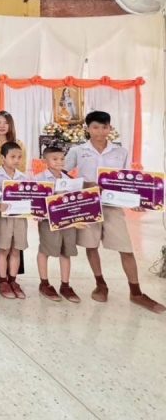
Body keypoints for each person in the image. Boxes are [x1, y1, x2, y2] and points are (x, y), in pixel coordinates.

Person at [65, 111, 165, 313]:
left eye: (104, 127)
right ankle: (100, 284)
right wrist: (84, 185)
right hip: (89, 204)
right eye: (95, 127)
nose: (100, 131)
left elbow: (129, 180)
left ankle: (136, 292)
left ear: (110, 128)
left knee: (125, 248)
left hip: (114, 206)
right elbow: (62, 174)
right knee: (91, 245)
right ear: (87, 129)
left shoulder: (120, 152)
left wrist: (137, 201)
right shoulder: (78, 151)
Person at [33, 146, 80, 303]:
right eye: (55, 159)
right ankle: (44, 283)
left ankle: (65, 285)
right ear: (45, 161)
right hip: (48, 221)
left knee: (66, 251)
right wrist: (37, 212)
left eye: (62, 159)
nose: (59, 162)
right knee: (45, 249)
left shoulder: (70, 180)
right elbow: (34, 199)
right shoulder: (39, 179)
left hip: (67, 221)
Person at [0, 142, 28, 299]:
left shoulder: (24, 177)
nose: (16, 160)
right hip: (2, 218)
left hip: (20, 218)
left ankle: (13, 280)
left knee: (16, 249)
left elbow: (31, 198)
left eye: (19, 157)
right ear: (3, 158)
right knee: (3, 249)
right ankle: (3, 281)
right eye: (12, 157)